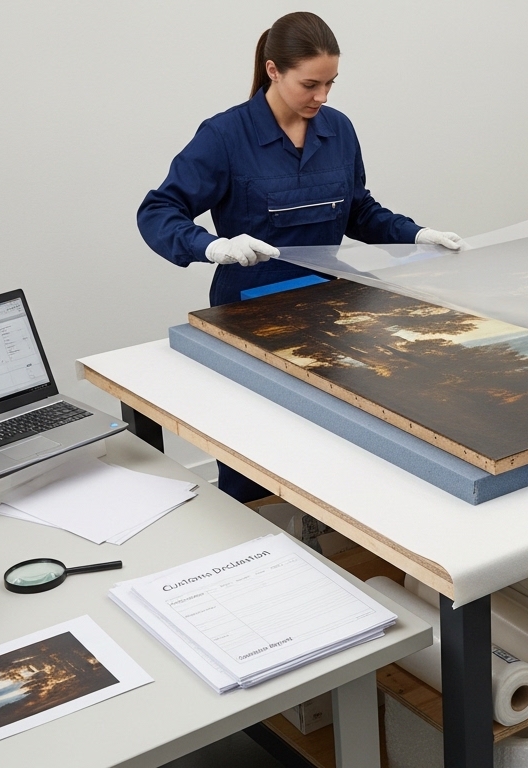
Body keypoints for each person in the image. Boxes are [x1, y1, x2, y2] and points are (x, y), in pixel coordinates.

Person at [138, 11, 466, 502]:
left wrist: (417, 235)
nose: (322, 97)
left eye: (331, 84)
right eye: (310, 84)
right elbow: (158, 210)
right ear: (273, 71)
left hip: (332, 312)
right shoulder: (226, 136)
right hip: (250, 315)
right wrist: (211, 246)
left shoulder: (338, 130)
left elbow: (358, 211)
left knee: (340, 446)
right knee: (256, 451)